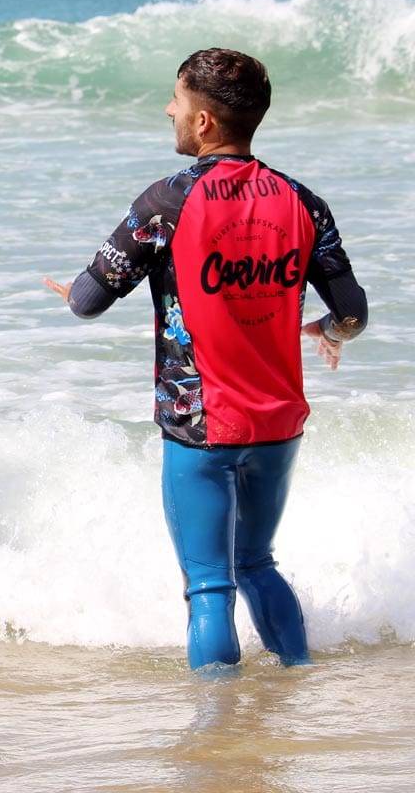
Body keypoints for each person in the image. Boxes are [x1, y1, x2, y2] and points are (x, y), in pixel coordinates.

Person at [44, 48, 368, 669]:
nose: (169, 109)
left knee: (209, 589)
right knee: (257, 565)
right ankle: (298, 689)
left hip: (200, 427)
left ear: (203, 123)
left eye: (176, 101)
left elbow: (89, 300)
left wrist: (71, 292)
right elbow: (352, 311)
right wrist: (327, 328)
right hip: (278, 425)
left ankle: (218, 746)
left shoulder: (165, 202)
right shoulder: (304, 202)